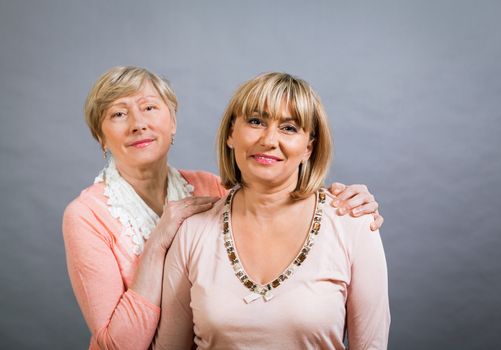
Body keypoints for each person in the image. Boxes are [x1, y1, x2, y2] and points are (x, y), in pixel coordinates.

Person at [62, 66, 384, 350]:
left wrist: (345, 203)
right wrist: (160, 240)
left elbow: (269, 186)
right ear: (100, 135)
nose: (138, 124)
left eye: (149, 107)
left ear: (172, 122)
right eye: (118, 113)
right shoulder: (88, 216)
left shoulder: (209, 189)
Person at [155, 72, 390, 349]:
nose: (269, 139)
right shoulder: (192, 232)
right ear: (231, 133)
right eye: (256, 121)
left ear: (308, 148)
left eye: (289, 128)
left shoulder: (353, 225)